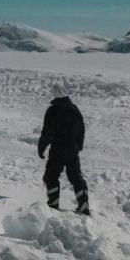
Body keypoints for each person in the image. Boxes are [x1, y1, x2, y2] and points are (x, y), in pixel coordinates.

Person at [38, 83, 90, 215]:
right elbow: (81, 129)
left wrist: (41, 147)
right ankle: (83, 206)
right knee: (76, 177)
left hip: (58, 148)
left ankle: (53, 204)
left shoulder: (53, 110)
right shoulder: (74, 109)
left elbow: (47, 132)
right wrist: (78, 146)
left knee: (51, 175)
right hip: (72, 148)